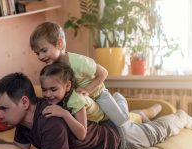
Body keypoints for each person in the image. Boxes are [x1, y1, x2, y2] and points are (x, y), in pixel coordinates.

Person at [0, 72, 192, 149]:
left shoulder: (50, 119)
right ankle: (141, 113)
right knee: (138, 122)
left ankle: (180, 116)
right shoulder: (24, 122)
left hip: (119, 139)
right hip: (109, 129)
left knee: (157, 132)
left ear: (25, 102)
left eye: (3, 108)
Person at [29, 21, 162, 127]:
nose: (40, 56)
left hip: (98, 94)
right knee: (106, 123)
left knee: (121, 121)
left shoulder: (79, 61)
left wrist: (87, 90)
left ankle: (119, 99)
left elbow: (103, 73)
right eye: (37, 53)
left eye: (44, 50)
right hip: (86, 102)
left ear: (59, 44)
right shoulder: (53, 69)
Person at [40, 62, 162, 140]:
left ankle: (122, 100)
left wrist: (64, 114)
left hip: (107, 118)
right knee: (132, 115)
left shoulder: (76, 100)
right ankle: (140, 111)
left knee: (128, 119)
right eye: (44, 90)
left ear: (67, 86)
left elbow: (82, 134)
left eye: (53, 89)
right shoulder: (61, 97)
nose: (48, 94)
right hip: (101, 113)